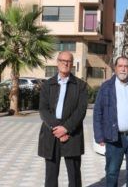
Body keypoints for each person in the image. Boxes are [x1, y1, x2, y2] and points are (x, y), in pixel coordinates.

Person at [93, 56, 128, 187]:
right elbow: (98, 112)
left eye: (126, 66)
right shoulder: (106, 87)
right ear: (115, 68)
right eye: (120, 66)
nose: (123, 69)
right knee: (112, 172)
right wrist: (99, 135)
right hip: (114, 137)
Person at [38, 51, 88, 187]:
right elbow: (43, 109)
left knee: (74, 176)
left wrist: (66, 129)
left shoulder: (81, 86)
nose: (65, 63)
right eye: (62, 60)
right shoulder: (47, 85)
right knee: (51, 176)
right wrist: (57, 129)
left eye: (68, 61)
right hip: (51, 134)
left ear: (72, 64)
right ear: (57, 63)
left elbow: (81, 111)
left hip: (72, 134)